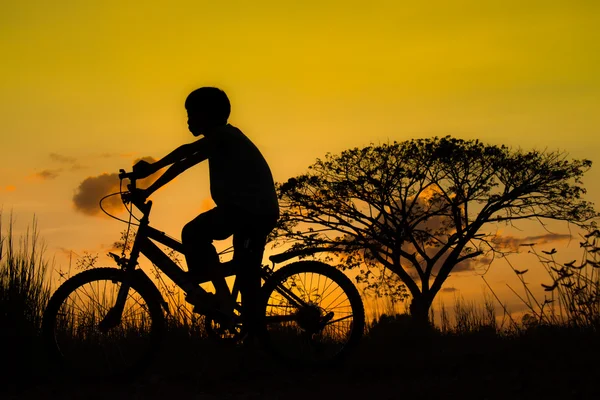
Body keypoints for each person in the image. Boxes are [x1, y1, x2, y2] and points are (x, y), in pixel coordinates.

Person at [130, 87, 279, 319]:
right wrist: (148, 189)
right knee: (245, 274)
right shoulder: (218, 141)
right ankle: (243, 322)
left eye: (192, 114)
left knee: (194, 232)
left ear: (208, 114)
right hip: (249, 211)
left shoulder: (223, 135)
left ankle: (222, 301)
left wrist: (151, 169)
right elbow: (183, 164)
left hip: (250, 212)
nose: (188, 120)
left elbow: (185, 152)